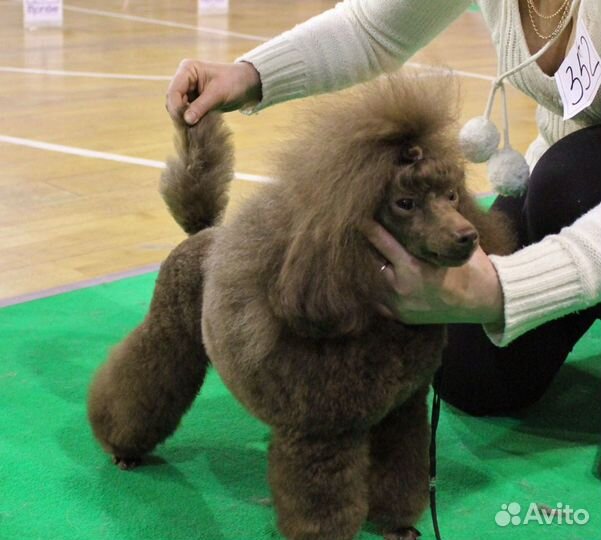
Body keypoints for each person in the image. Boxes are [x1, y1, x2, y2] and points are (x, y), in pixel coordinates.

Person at [165, 0, 601, 416]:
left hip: (576, 181)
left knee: (569, 178)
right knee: (468, 377)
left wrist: (499, 291)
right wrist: (249, 75)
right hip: (557, 176)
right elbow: (372, 29)